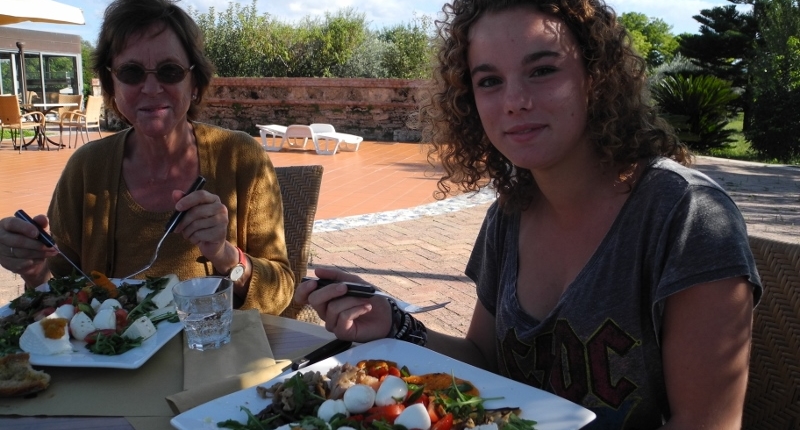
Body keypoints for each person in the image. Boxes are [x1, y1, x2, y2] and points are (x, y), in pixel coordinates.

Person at [296, 0, 762, 427]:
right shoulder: (510, 213)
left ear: (595, 77)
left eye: (542, 70)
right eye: (489, 80)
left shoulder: (686, 218)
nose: (514, 101)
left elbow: (707, 423)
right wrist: (397, 325)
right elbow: (485, 356)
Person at [0, 0, 294, 314]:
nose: (151, 88)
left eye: (170, 71)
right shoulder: (87, 168)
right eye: (132, 72)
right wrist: (33, 270)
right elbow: (61, 286)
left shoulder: (241, 158)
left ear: (194, 83)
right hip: (107, 356)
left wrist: (225, 255)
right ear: (112, 83)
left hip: (214, 354)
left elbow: (281, 291)